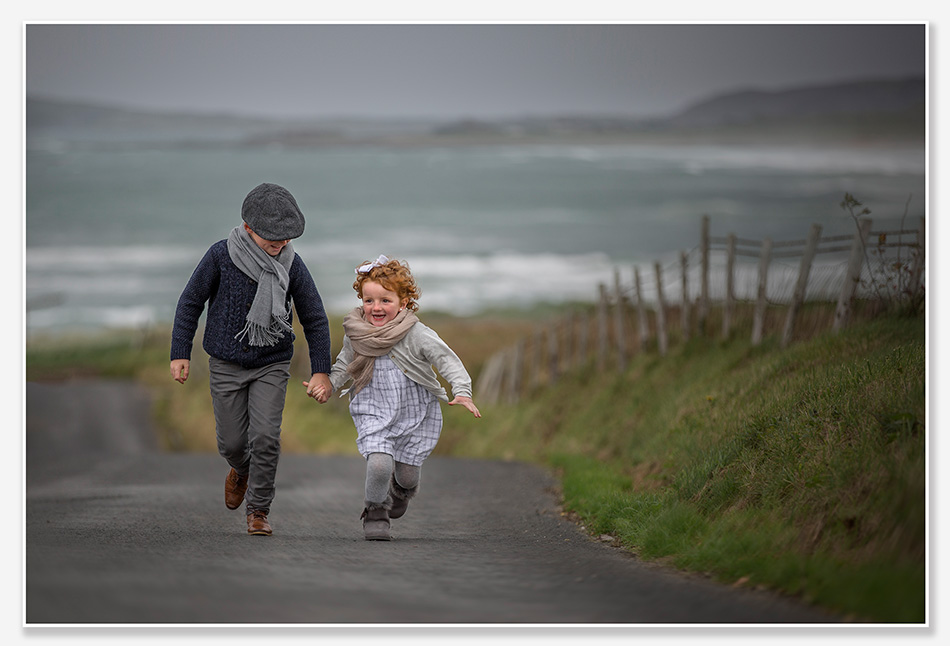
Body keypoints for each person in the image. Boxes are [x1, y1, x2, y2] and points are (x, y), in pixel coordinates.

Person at [170, 182, 332, 536]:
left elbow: (314, 317)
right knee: (230, 443)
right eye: (271, 237)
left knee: (266, 438)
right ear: (248, 228)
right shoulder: (220, 256)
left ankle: (258, 509)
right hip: (225, 363)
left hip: (271, 363)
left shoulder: (292, 265)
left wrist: (321, 371)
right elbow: (190, 302)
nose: (280, 244)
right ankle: (241, 471)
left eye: (286, 238)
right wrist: (180, 352)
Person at [305, 255, 481, 540]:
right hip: (373, 406)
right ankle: (375, 511)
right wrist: (329, 385)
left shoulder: (417, 334)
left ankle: (400, 492)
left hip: (414, 412)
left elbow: (447, 360)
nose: (376, 307)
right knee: (379, 463)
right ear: (360, 299)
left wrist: (462, 391)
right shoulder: (356, 332)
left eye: (385, 300)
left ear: (404, 302)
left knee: (407, 476)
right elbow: (344, 364)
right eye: (368, 300)